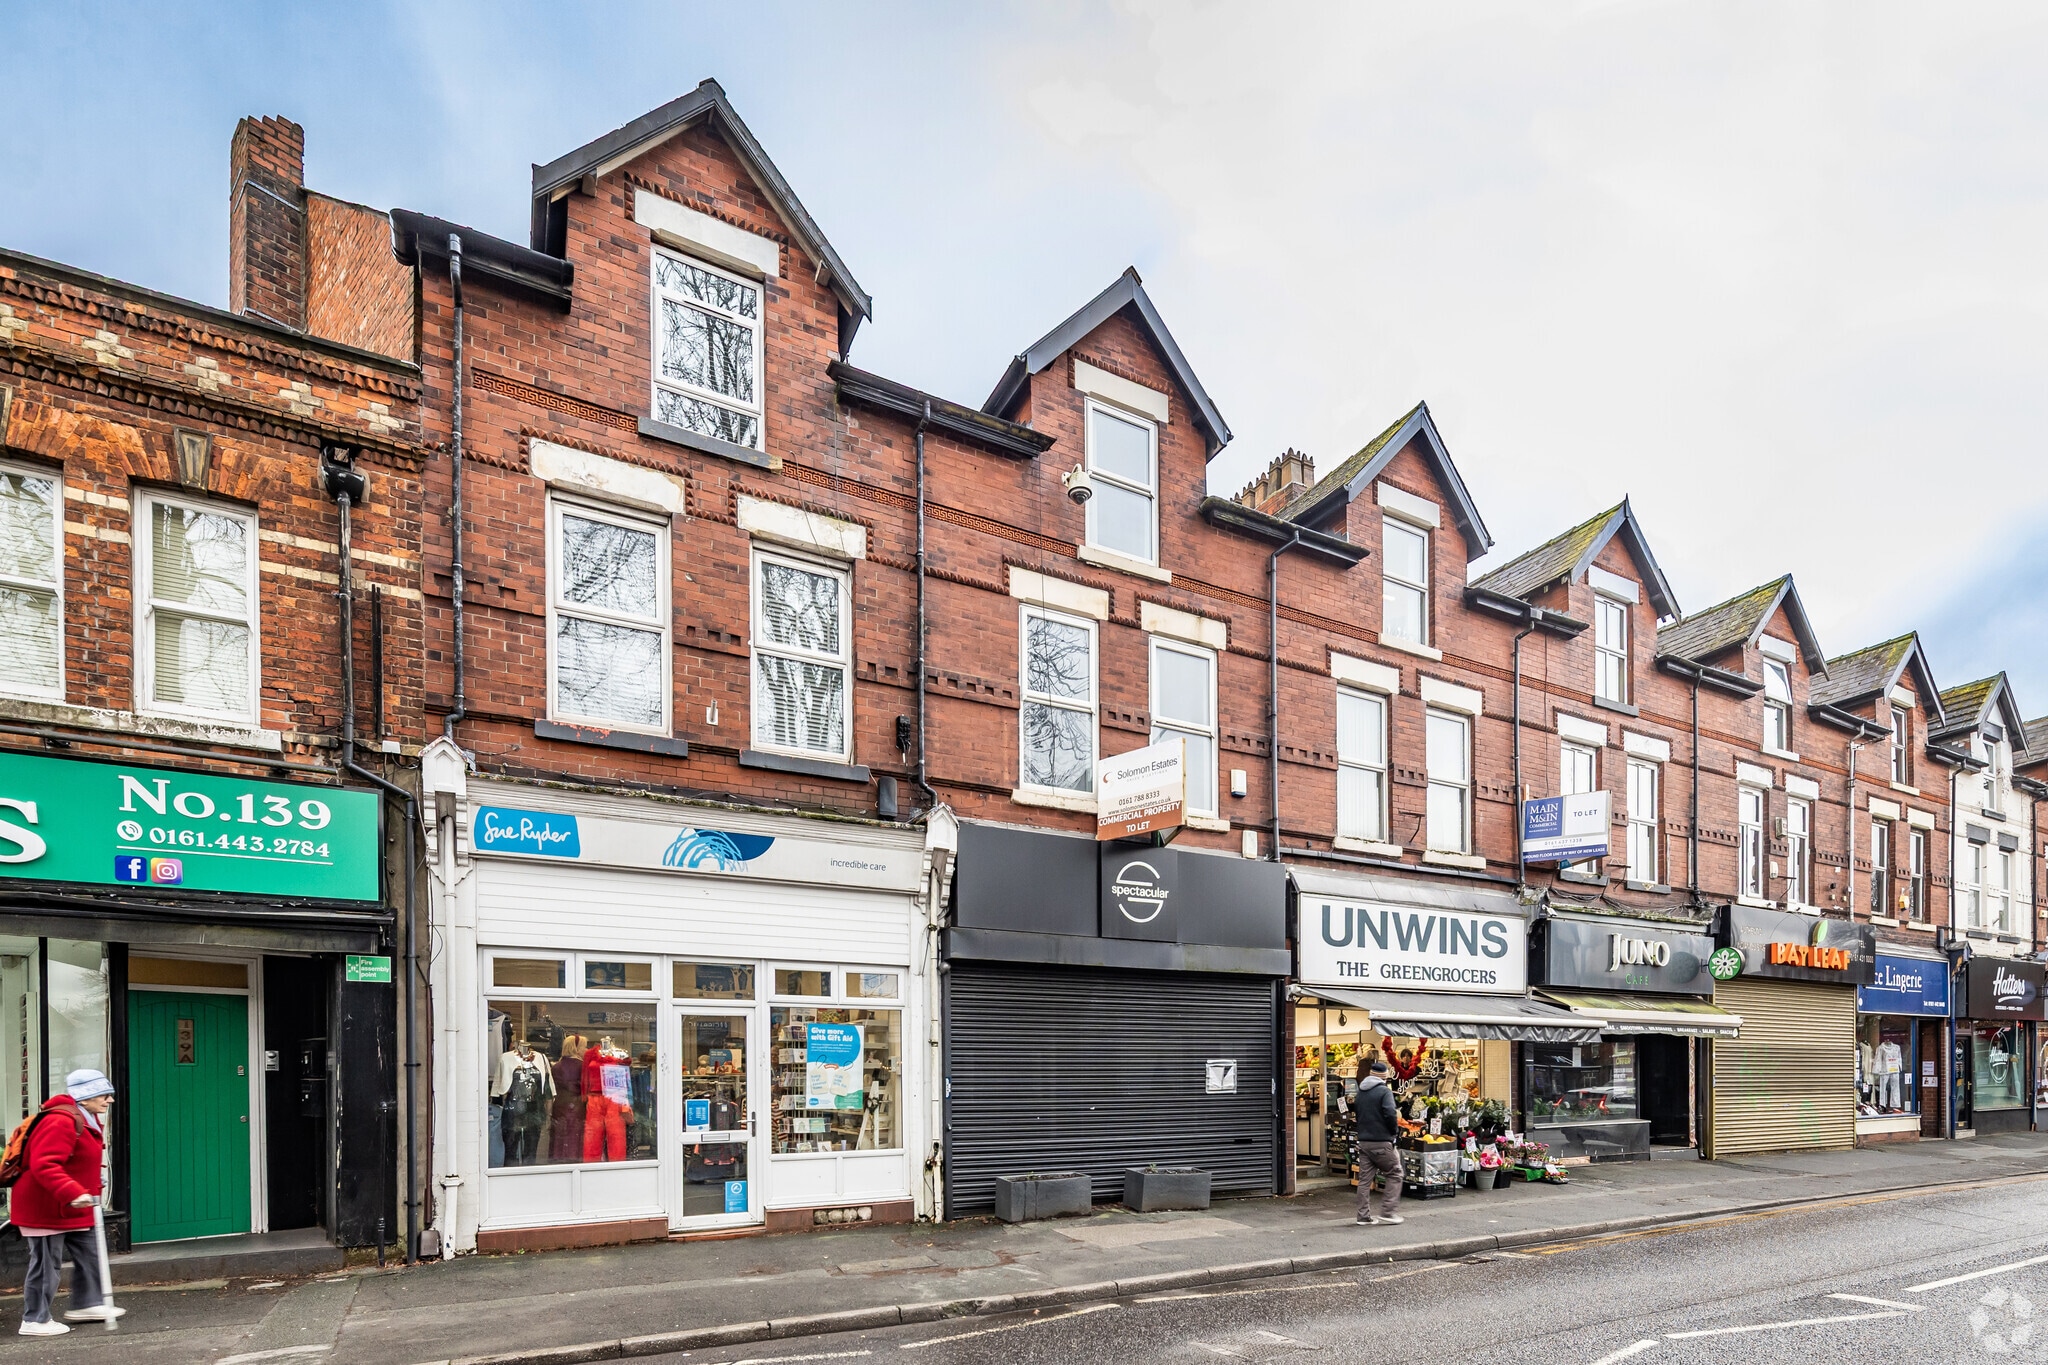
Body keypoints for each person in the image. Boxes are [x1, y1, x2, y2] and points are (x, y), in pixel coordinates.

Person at [13, 1069, 123, 1336]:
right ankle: (34, 1319)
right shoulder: (61, 1121)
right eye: (104, 1095)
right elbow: (45, 1164)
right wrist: (73, 1192)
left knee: (92, 1254)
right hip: (46, 1206)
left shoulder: (86, 1118)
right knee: (46, 1265)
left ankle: (87, 1304)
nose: (110, 1100)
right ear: (85, 1097)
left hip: (74, 1206)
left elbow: (77, 1160)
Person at [1353, 1059, 1404, 1227]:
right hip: (1381, 1141)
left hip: (1364, 1142)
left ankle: (1363, 1217)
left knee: (1364, 1181)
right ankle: (1388, 1212)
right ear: (1384, 1077)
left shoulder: (1361, 1091)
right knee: (1395, 1173)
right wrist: (1394, 1132)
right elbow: (1390, 1113)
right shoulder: (1384, 1091)